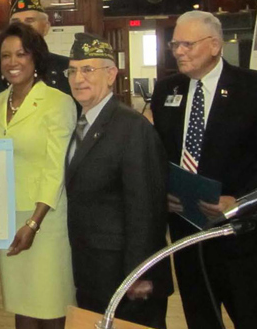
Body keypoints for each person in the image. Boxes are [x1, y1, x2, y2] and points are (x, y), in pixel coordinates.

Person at [151, 10, 257, 329]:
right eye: (175, 44)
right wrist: (163, 192)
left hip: (240, 232)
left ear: (215, 45)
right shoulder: (166, 91)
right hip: (186, 231)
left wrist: (241, 200)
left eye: (187, 44)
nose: (179, 51)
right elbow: (158, 153)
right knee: (200, 318)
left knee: (251, 318)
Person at [65, 33, 172, 328]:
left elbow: (147, 207)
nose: (78, 78)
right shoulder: (82, 122)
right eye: (72, 70)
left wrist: (140, 271)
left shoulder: (132, 127)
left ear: (111, 74)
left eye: (88, 69)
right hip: (92, 270)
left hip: (125, 276)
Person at [0, 22, 77, 329]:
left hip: (45, 221)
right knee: (22, 309)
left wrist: (34, 223)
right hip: (7, 218)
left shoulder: (58, 102)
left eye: (21, 53)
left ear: (35, 57)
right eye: (6, 55)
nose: (13, 62)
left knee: (50, 310)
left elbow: (55, 168)